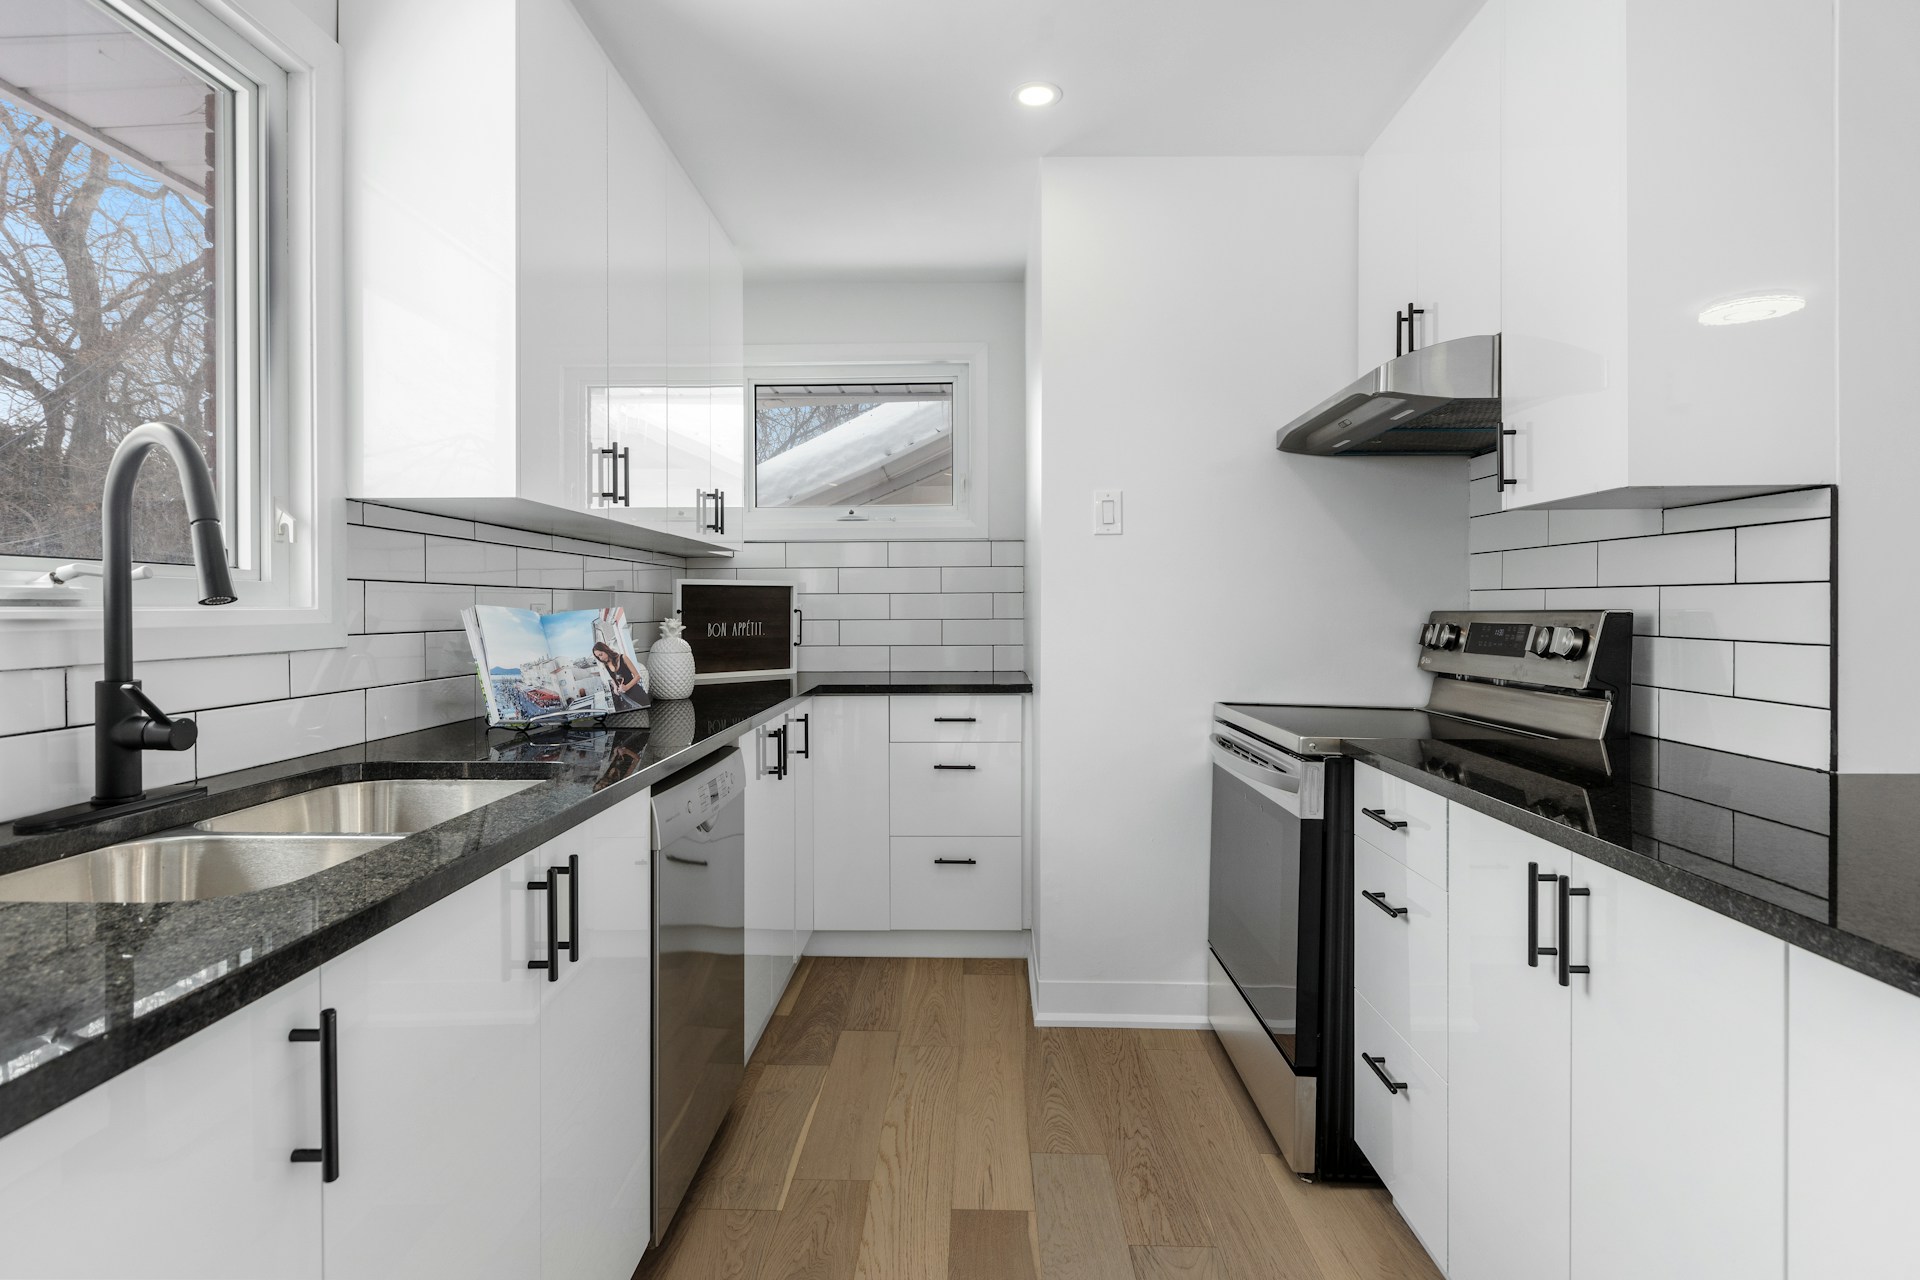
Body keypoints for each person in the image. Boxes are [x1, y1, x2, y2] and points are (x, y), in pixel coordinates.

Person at [592, 640, 648, 712]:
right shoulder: (606, 665)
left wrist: (626, 687)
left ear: (605, 650)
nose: (601, 658)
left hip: (636, 692)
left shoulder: (623, 658)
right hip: (625, 696)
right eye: (598, 657)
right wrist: (615, 688)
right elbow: (613, 678)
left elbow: (637, 676)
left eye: (601, 654)